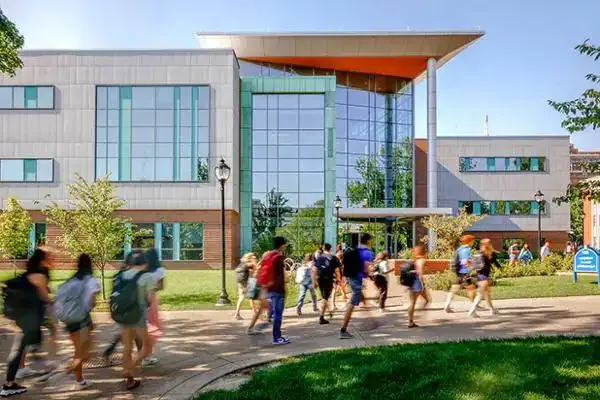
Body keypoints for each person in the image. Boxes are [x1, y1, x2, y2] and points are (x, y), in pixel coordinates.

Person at [1, 249, 52, 397]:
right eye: (48, 257)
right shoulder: (40, 276)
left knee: (26, 346)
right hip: (29, 318)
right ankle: (9, 385)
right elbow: (46, 299)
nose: (51, 259)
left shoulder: (29, 274)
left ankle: (14, 381)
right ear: (42, 260)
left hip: (22, 317)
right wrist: (52, 322)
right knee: (22, 348)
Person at [116, 250, 155, 390]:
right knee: (146, 345)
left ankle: (130, 380)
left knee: (127, 348)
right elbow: (150, 298)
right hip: (138, 316)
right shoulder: (146, 277)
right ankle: (129, 369)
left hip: (122, 316)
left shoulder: (121, 275)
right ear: (144, 262)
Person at [62, 254, 100, 390]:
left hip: (69, 319)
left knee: (79, 351)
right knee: (86, 353)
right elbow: (92, 302)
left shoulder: (71, 280)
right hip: (82, 319)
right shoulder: (91, 281)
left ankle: (79, 381)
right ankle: (67, 369)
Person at [340, 233, 374, 339]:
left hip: (352, 278)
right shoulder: (367, 252)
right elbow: (366, 267)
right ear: (368, 241)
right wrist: (370, 275)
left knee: (361, 296)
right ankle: (343, 330)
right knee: (353, 302)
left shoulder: (356, 250)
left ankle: (369, 320)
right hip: (356, 279)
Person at [265, 237, 290, 345]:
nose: (284, 247)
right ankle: (277, 337)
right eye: (284, 245)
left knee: (275, 313)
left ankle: (277, 336)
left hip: (269, 289)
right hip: (278, 290)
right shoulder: (278, 258)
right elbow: (282, 275)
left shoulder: (268, 256)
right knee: (278, 314)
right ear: (281, 245)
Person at [143, 248, 164, 367]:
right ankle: (147, 356)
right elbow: (161, 286)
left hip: (140, 301)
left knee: (143, 327)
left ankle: (142, 353)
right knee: (153, 327)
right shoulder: (159, 270)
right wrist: (153, 288)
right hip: (152, 300)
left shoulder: (143, 269)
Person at [468, 239, 500, 317]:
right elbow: (491, 253)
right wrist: (489, 246)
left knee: (487, 294)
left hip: (478, 275)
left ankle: (492, 309)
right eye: (489, 244)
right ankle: (472, 310)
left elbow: (470, 264)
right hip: (483, 276)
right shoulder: (486, 253)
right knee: (480, 295)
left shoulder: (477, 254)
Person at [444, 235, 476, 313]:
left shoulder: (459, 249)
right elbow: (465, 261)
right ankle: (474, 306)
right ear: (469, 241)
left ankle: (446, 306)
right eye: (473, 240)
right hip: (463, 272)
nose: (473, 242)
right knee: (471, 289)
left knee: (454, 289)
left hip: (457, 272)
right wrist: (472, 268)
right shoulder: (466, 249)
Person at [315, 243, 341, 325]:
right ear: (330, 249)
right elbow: (337, 270)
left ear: (323, 248)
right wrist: (339, 279)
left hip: (320, 279)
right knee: (325, 297)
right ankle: (321, 317)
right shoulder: (333, 257)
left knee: (325, 296)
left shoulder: (319, 257)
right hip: (328, 278)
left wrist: (314, 281)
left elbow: (314, 269)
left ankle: (329, 311)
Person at [407, 246, 431, 328]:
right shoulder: (422, 260)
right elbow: (420, 272)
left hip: (411, 282)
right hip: (417, 283)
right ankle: (419, 317)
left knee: (413, 303)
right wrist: (423, 284)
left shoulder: (415, 260)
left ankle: (411, 321)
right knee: (427, 300)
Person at [235, 253, 258, 320]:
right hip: (245, 282)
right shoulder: (249, 264)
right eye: (252, 257)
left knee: (243, 298)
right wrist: (254, 261)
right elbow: (254, 270)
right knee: (249, 297)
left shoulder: (242, 263)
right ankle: (237, 314)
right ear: (250, 257)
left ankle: (237, 314)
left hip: (240, 282)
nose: (254, 258)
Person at [332, 244, 348, 310]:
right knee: (335, 290)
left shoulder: (336, 256)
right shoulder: (337, 256)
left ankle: (344, 296)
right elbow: (341, 266)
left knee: (341, 286)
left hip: (337, 274)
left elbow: (342, 266)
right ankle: (333, 305)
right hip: (337, 275)